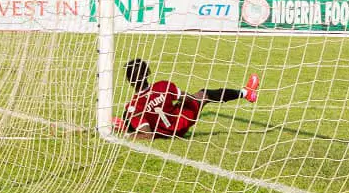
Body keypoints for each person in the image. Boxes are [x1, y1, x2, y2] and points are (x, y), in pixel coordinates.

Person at [111, 58, 260, 139]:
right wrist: (186, 101)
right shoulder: (163, 86)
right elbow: (187, 98)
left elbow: (148, 134)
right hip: (183, 120)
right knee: (204, 94)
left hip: (165, 133)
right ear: (148, 73)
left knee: (129, 114)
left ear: (129, 80)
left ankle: (125, 126)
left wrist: (129, 135)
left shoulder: (133, 106)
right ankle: (247, 93)